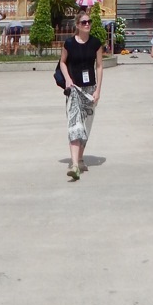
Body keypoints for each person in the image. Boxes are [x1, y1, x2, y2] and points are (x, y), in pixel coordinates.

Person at [58, 12, 104, 181]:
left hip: (90, 89)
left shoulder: (96, 44)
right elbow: (62, 62)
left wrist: (98, 90)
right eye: (84, 22)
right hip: (75, 89)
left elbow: (99, 66)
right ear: (77, 25)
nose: (87, 24)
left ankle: (80, 158)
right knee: (74, 125)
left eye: (89, 22)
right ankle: (75, 165)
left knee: (85, 126)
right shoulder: (69, 43)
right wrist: (68, 79)